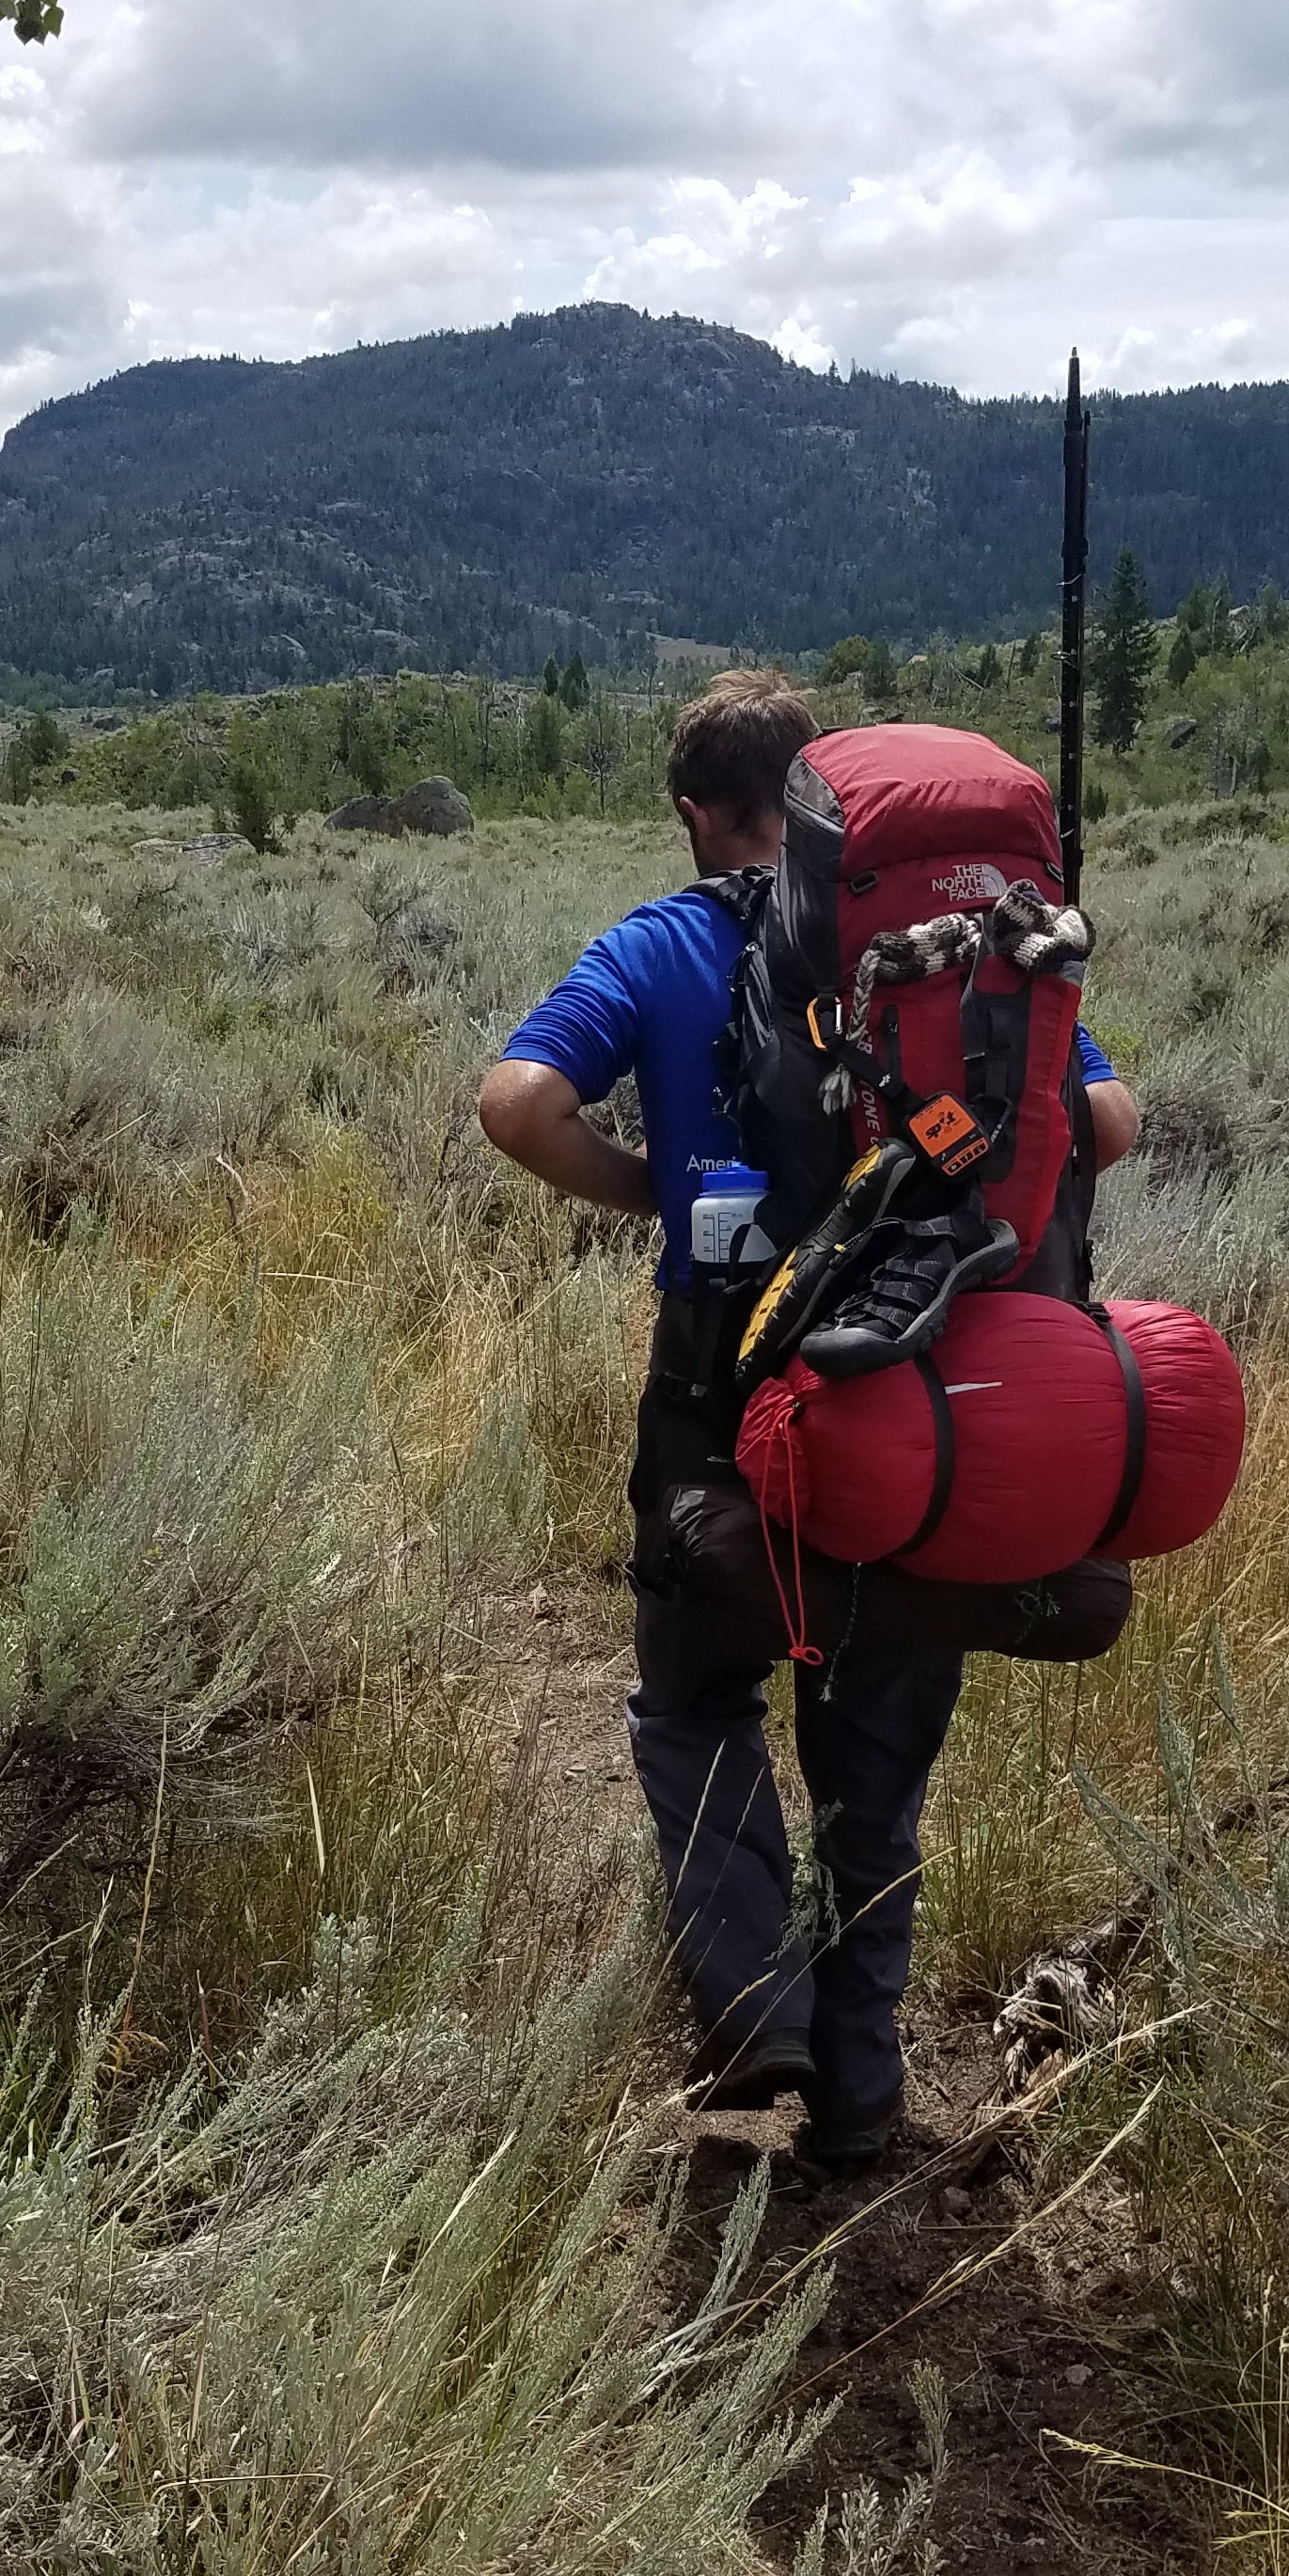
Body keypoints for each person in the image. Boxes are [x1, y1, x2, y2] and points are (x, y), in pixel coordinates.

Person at [478, 669, 1139, 2174]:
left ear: (705, 815)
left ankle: (751, 2000)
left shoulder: (665, 941)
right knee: (877, 1771)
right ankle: (860, 2096)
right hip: (920, 1405)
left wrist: (655, 1187)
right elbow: (1105, 1125)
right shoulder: (967, 952)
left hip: (726, 1404)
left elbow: (517, 1103)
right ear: (830, 802)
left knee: (695, 1698)